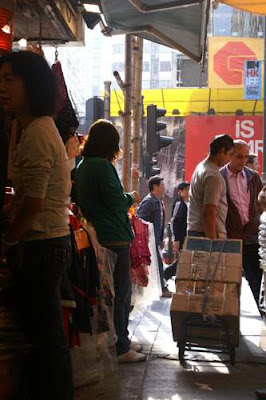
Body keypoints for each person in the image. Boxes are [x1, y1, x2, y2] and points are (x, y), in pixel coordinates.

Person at [0, 51, 73, 400]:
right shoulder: (30, 129)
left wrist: (8, 243)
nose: (3, 88)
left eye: (10, 79)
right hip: (45, 243)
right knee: (42, 337)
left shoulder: (39, 133)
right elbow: (26, 195)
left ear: (32, 85)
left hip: (43, 246)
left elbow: (34, 205)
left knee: (46, 341)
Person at [75, 119, 146, 363]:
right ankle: (121, 347)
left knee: (104, 295)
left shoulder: (82, 166)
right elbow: (116, 201)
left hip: (96, 235)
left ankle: (115, 341)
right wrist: (132, 197)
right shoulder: (103, 167)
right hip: (114, 238)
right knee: (120, 295)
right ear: (111, 145)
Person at [220, 140, 262, 306]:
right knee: (230, 282)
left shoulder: (253, 177)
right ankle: (230, 316)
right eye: (239, 157)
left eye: (245, 157)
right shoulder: (219, 177)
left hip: (251, 237)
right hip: (230, 238)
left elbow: (260, 204)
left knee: (256, 279)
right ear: (230, 155)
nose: (243, 161)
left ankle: (262, 313)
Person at [188, 134, 234, 239]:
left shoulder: (201, 167)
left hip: (196, 231)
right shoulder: (213, 176)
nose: (229, 159)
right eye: (230, 155)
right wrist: (212, 243)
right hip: (207, 234)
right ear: (222, 151)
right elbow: (209, 213)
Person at [137, 175, 171, 297]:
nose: (163, 187)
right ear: (155, 186)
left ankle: (161, 287)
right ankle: (162, 288)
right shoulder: (149, 201)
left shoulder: (158, 201)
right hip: (149, 241)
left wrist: (160, 238)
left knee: (156, 264)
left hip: (155, 240)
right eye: (162, 185)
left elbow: (160, 224)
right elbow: (141, 220)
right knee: (155, 265)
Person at [164, 182, 190, 281]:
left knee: (184, 258)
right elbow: (174, 221)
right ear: (180, 191)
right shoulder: (179, 203)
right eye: (186, 190)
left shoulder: (188, 202)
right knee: (183, 259)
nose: (189, 192)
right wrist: (175, 239)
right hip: (180, 236)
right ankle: (166, 273)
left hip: (186, 235)